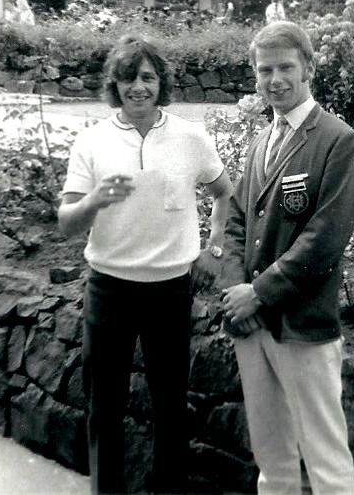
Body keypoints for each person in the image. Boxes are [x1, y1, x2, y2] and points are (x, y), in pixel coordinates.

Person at [57, 35, 232, 495]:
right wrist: (95, 200)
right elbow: (65, 223)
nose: (139, 87)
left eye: (148, 77)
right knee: (105, 409)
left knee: (171, 407)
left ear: (162, 84)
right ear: (115, 83)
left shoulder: (191, 137)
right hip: (109, 289)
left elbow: (224, 193)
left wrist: (213, 248)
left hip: (171, 290)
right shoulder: (92, 141)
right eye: (129, 77)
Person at [220, 21, 354, 495]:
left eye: (285, 67)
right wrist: (233, 291)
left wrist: (257, 293)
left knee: (325, 458)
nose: (275, 79)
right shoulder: (262, 139)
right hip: (253, 325)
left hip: (302, 324)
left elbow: (325, 237)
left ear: (309, 69)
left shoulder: (336, 140)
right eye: (265, 70)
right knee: (271, 454)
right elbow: (239, 217)